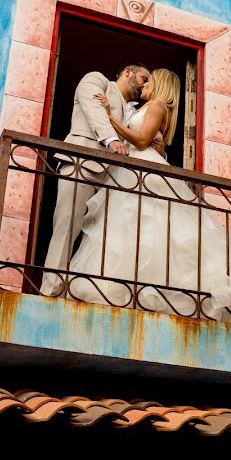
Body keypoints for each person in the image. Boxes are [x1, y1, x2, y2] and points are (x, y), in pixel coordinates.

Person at [65, 68, 231, 323]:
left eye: (148, 81)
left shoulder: (158, 106)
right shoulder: (145, 107)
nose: (144, 87)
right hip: (132, 170)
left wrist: (110, 118)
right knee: (134, 232)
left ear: (160, 84)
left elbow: (141, 141)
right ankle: (126, 290)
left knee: (154, 230)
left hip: (143, 170)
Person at [40, 63, 155, 297]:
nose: (146, 84)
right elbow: (93, 109)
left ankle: (86, 293)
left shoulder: (136, 110)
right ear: (127, 72)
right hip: (81, 166)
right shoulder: (97, 79)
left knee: (104, 240)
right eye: (144, 77)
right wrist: (111, 139)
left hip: (114, 181)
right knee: (66, 228)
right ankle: (51, 291)